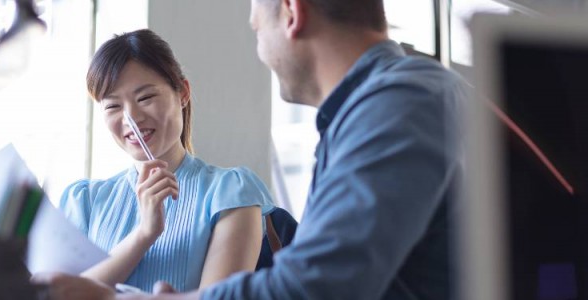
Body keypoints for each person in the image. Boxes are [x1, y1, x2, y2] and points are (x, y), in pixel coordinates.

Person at [43, 0, 468, 299]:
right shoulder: (359, 118)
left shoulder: (397, 101)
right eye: (113, 105)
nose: (260, 51)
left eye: (255, 28)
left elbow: (311, 286)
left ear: (291, 11)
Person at [31, 29, 276, 293]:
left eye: (145, 98)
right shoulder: (84, 201)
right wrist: (144, 234)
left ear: (182, 93)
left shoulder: (231, 192)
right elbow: (53, 295)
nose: (131, 119)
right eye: (113, 106)